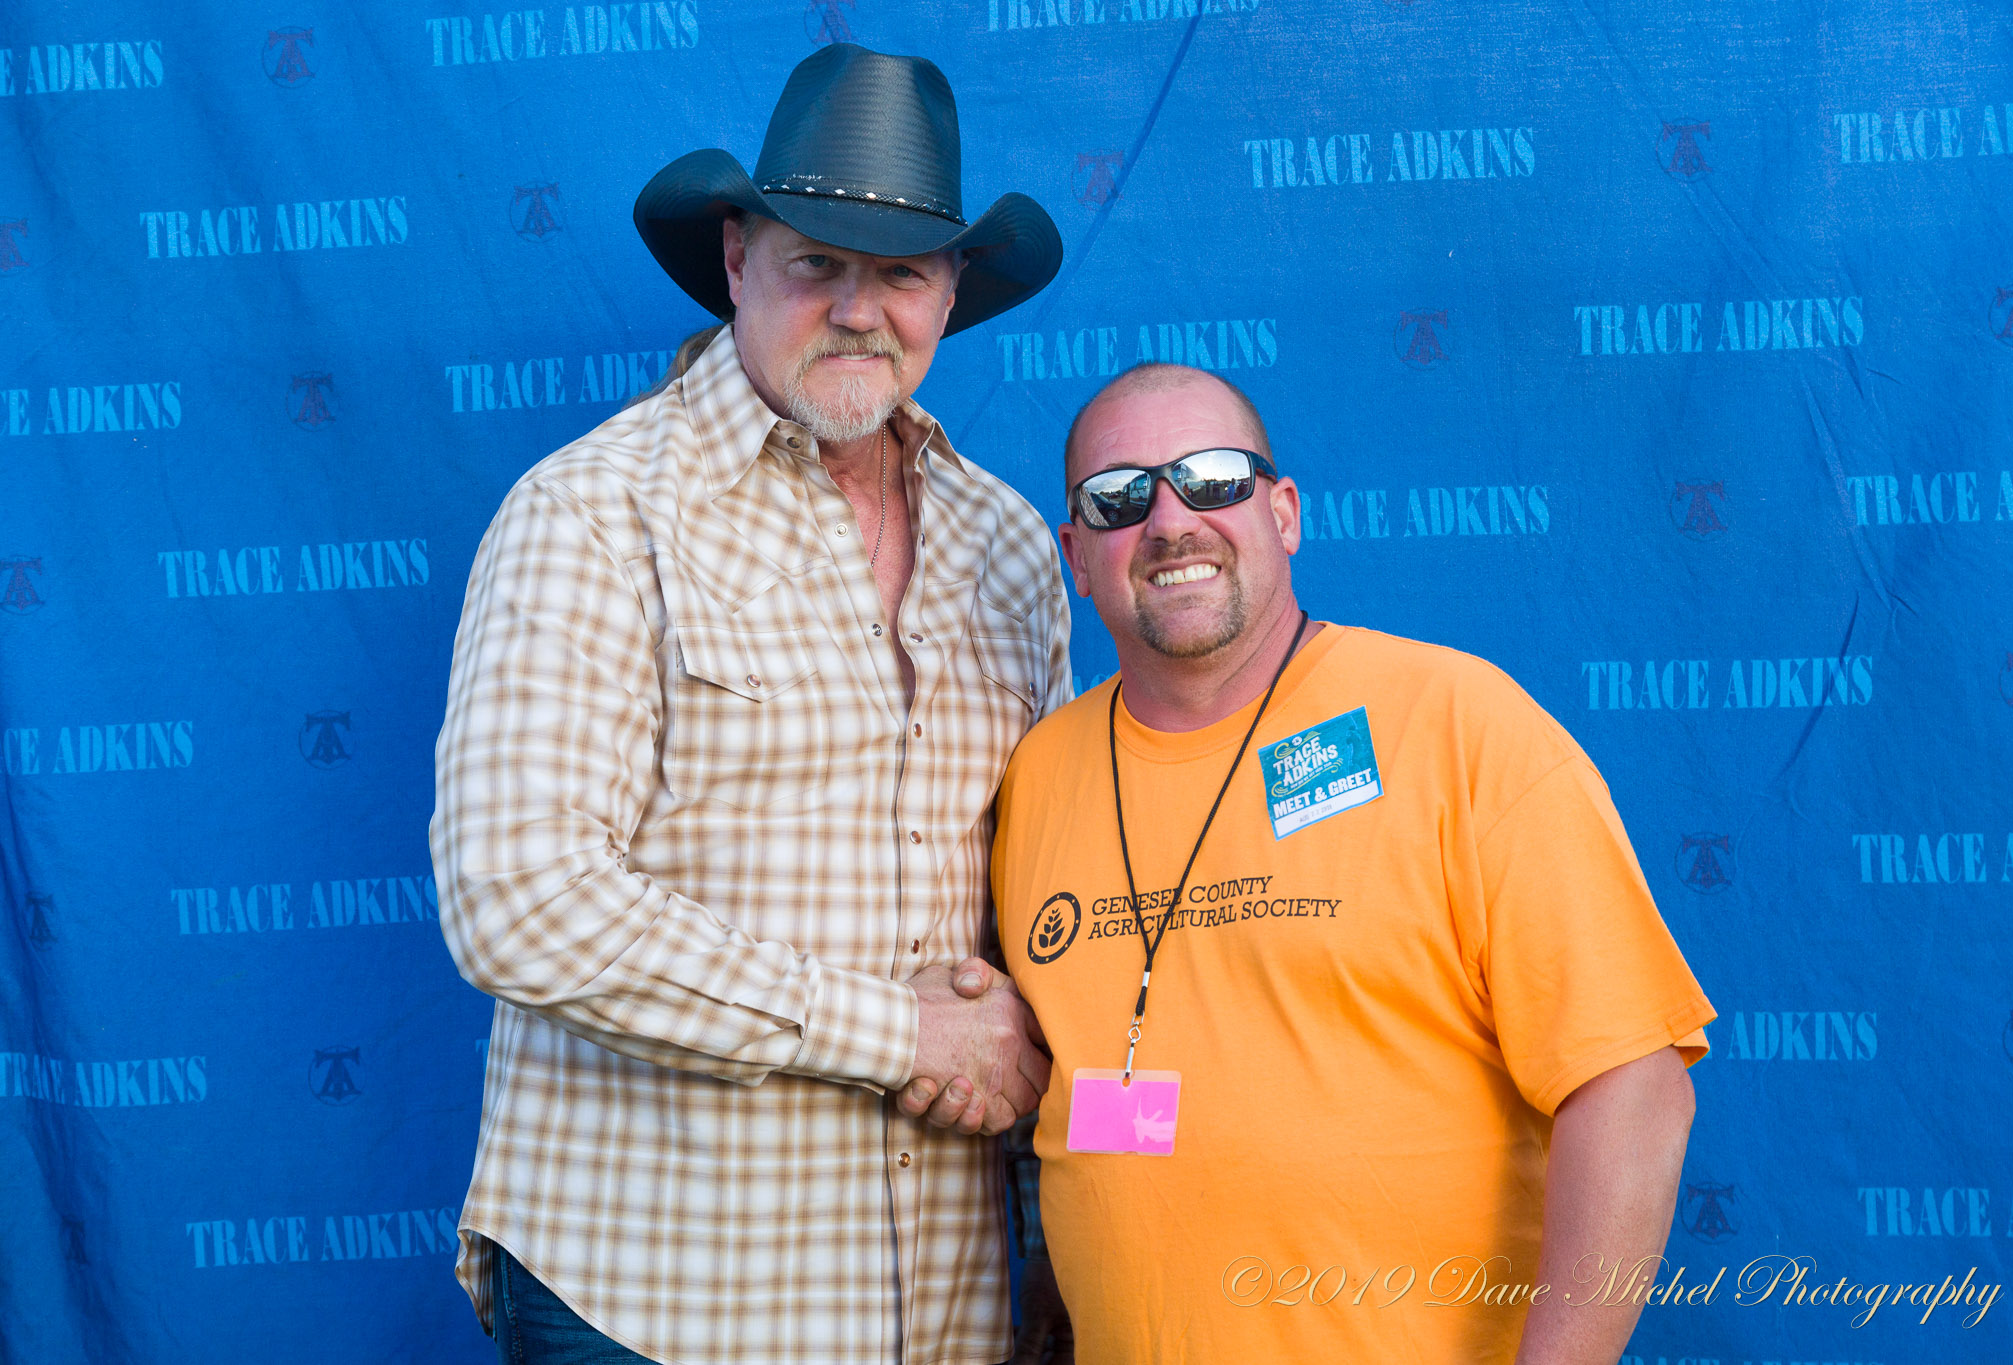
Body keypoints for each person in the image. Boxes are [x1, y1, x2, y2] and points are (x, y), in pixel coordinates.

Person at [431, 44, 1072, 1365]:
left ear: (951, 290)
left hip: (942, 1310)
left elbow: (1039, 898)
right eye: (814, 263)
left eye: (901, 273)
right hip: (657, 1298)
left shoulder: (1008, 543)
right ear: (736, 259)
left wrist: (1068, 1218)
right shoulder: (594, 514)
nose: (858, 309)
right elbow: (520, 898)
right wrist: (898, 1034)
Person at [980, 363, 1716, 1363]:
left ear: (1283, 513)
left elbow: (1634, 1088)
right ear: (1074, 554)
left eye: (1211, 478)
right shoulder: (1035, 777)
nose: (1170, 522)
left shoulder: (1457, 725)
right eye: (1119, 496)